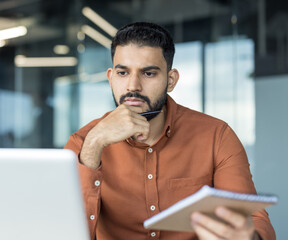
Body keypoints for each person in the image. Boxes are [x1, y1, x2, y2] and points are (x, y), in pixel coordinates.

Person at [65, 22, 275, 240]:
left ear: (171, 80)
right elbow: (63, 232)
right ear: (110, 77)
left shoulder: (216, 136)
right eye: (123, 72)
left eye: (148, 73)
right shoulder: (83, 142)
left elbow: (253, 219)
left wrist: (248, 237)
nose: (132, 86)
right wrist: (94, 145)